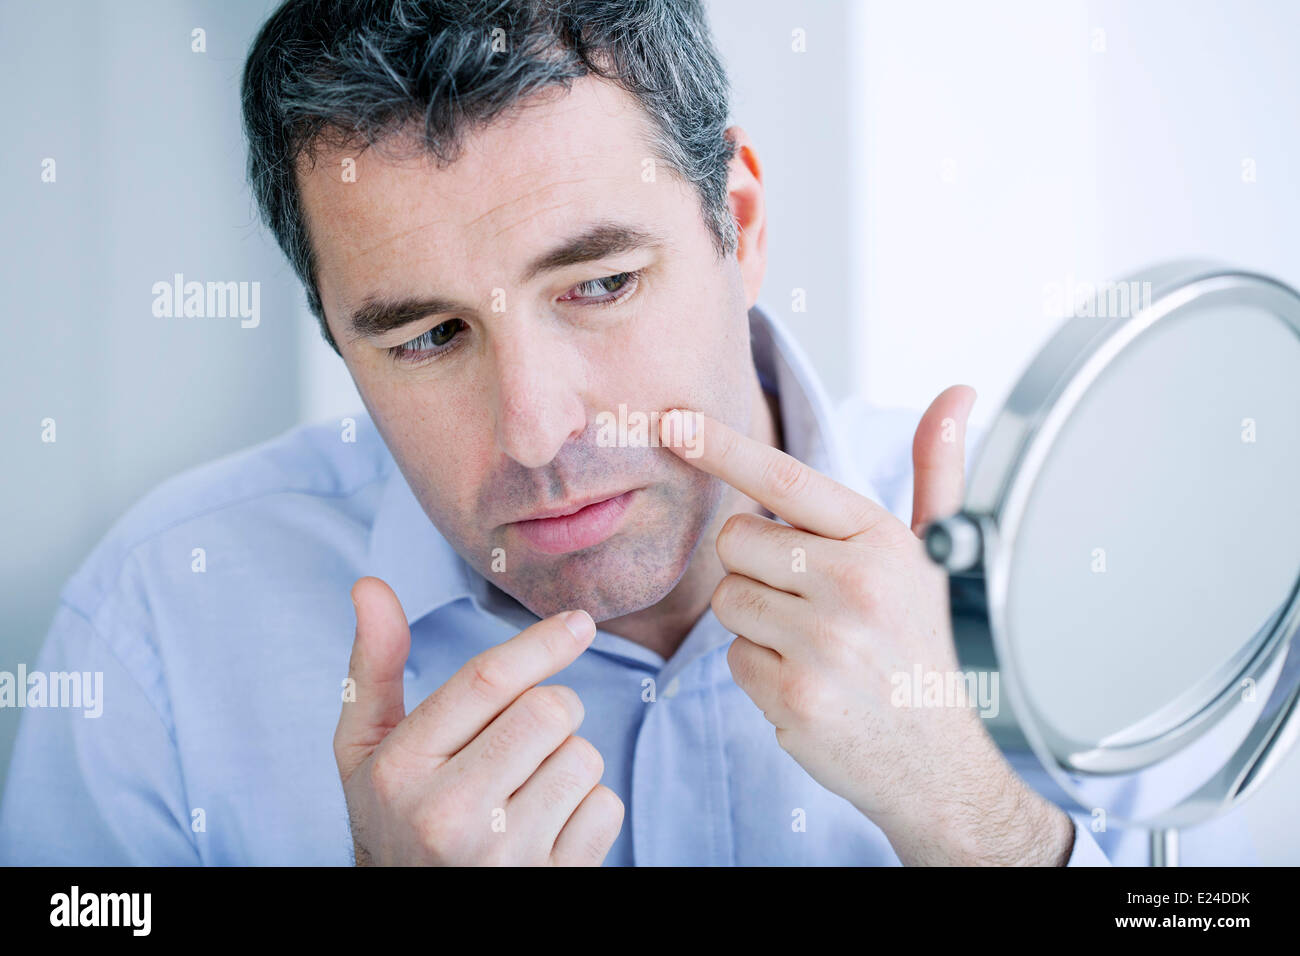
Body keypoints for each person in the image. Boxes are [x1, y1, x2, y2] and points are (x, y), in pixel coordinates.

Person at [2, 0, 1155, 866]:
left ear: (737, 225)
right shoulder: (156, 626)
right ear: (336, 338)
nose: (538, 429)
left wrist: (981, 822)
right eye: (425, 337)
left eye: (599, 284)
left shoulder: (1061, 569)